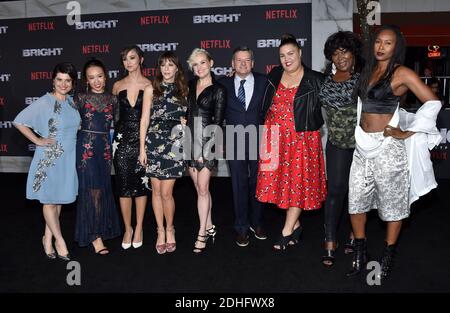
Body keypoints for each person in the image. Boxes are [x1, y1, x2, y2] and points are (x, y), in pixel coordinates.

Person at [347, 25, 441, 280]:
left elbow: (433, 102)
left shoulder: (401, 73)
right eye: (378, 42)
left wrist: (405, 133)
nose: (381, 47)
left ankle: (387, 256)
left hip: (388, 148)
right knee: (355, 201)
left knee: (393, 206)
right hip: (362, 145)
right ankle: (360, 251)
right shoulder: (368, 70)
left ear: (396, 47)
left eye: (388, 43)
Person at [256, 34, 327, 251]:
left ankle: (286, 230)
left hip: (302, 140)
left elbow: (332, 106)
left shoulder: (315, 79)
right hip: (275, 138)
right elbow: (265, 104)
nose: (287, 59)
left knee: (297, 185)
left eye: (291, 54)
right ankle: (296, 226)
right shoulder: (275, 74)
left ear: (300, 54)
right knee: (280, 186)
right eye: (282, 55)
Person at [13, 62, 80, 261]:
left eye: (67, 80)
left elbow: (73, 125)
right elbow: (18, 121)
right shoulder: (44, 101)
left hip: (67, 157)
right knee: (49, 200)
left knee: (57, 199)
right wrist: (37, 140)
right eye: (59, 80)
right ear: (53, 80)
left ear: (73, 83)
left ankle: (47, 238)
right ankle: (60, 240)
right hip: (50, 157)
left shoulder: (71, 102)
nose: (63, 84)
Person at [318, 31, 364, 266]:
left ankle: (354, 235)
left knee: (356, 193)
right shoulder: (326, 80)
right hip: (336, 143)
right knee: (335, 191)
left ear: (353, 53)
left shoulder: (363, 79)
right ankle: (329, 239)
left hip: (361, 146)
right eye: (335, 53)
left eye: (344, 51)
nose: (340, 57)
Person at [139, 52, 188, 254]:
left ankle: (170, 228)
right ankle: (160, 231)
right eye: (163, 65)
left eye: (170, 65)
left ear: (177, 68)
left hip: (175, 144)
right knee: (156, 191)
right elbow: (144, 119)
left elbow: (193, 116)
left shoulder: (184, 90)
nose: (166, 69)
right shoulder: (151, 89)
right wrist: (142, 148)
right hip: (153, 142)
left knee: (167, 193)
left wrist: (185, 123)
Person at [219, 46, 268, 247]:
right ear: (232, 64)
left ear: (253, 63)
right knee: (238, 184)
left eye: (247, 60)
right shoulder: (222, 84)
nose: (242, 63)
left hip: (260, 139)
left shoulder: (265, 81)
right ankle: (240, 227)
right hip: (234, 138)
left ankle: (256, 222)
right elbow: (217, 113)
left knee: (259, 183)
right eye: (239, 60)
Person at [74, 58, 121, 255]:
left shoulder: (113, 99)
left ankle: (100, 228)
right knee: (92, 189)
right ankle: (94, 236)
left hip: (105, 149)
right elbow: (68, 124)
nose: (97, 81)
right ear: (86, 80)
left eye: (99, 76)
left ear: (106, 76)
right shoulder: (80, 99)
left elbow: (118, 126)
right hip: (86, 149)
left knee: (102, 189)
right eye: (91, 78)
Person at [186, 48, 227, 253]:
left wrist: (207, 149)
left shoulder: (218, 89)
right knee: (200, 189)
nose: (199, 67)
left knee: (202, 189)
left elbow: (218, 123)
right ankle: (210, 226)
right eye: (195, 64)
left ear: (210, 63)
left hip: (207, 144)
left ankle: (201, 233)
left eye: (202, 62)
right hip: (188, 142)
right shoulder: (190, 85)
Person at [112, 45, 151, 249]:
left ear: (141, 60)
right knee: (123, 185)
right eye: (125, 59)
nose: (128, 62)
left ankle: (139, 227)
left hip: (143, 140)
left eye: (132, 58)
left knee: (141, 185)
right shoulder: (117, 85)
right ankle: (127, 228)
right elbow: (113, 117)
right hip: (121, 140)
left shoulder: (151, 85)